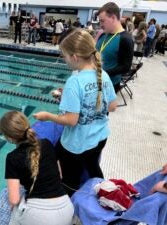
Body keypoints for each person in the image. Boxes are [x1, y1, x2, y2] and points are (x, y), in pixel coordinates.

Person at [34, 28, 118, 196]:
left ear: (74, 57)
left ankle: (70, 204)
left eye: (63, 55)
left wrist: (47, 116)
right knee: (92, 164)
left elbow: (71, 120)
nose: (63, 59)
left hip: (77, 144)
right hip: (100, 137)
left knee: (69, 179)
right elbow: (112, 106)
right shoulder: (103, 75)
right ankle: (104, 191)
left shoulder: (75, 81)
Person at [0, 111, 74, 225]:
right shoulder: (47, 143)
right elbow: (60, 175)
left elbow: (14, 200)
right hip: (67, 208)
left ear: (9, 138)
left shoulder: (12, 158)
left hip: (40, 216)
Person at [96, 2, 134, 93]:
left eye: (102, 21)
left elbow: (125, 67)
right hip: (94, 81)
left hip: (110, 84)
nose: (100, 24)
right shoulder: (103, 35)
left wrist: (103, 73)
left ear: (113, 18)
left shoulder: (125, 39)